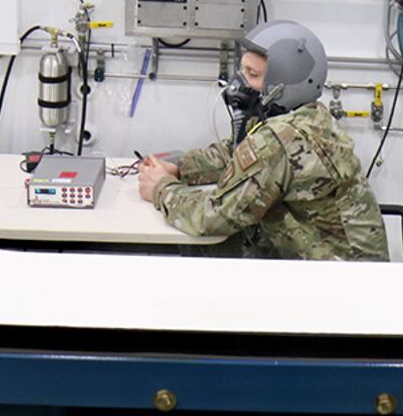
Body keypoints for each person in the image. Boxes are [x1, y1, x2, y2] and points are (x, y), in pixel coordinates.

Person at [137, 21, 388, 261]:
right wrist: (182, 167)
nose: (239, 83)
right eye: (242, 70)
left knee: (206, 249)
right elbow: (236, 153)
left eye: (252, 74)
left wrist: (161, 188)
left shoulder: (281, 139)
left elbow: (213, 218)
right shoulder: (306, 115)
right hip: (334, 264)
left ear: (283, 86)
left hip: (343, 282)